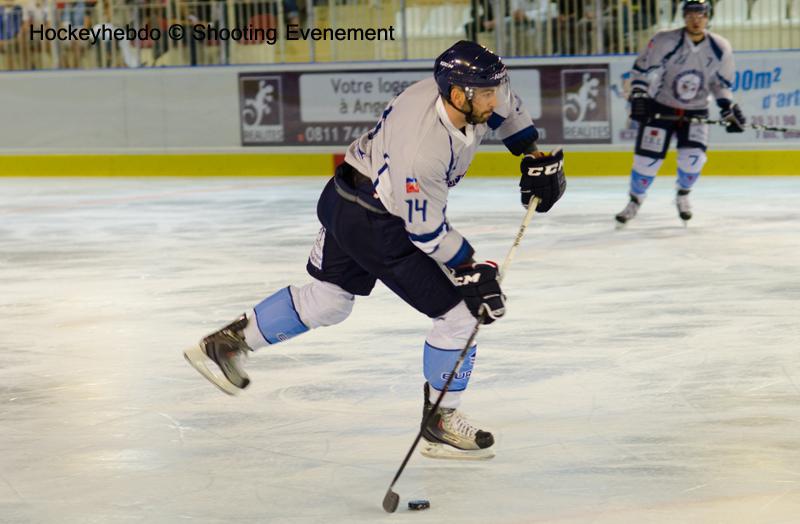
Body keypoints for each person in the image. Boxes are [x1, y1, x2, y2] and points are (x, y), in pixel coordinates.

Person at [184, 40, 565, 460]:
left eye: (496, 88)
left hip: (343, 195)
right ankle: (441, 421)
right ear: (459, 95)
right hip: (375, 221)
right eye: (488, 93)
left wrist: (533, 155)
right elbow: (426, 233)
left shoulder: (463, 92)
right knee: (459, 314)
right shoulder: (423, 151)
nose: (497, 99)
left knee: (329, 302)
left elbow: (509, 108)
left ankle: (227, 344)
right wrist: (471, 269)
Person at [615, 0, 745, 225]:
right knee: (646, 161)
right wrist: (638, 96)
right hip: (660, 107)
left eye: (701, 14)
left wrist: (727, 107)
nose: (696, 19)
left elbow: (720, 83)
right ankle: (635, 201)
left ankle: (683, 196)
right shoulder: (665, 40)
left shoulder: (720, 47)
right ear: (684, 16)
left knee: (693, 160)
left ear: (708, 17)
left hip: (696, 111)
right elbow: (642, 71)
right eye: (691, 14)